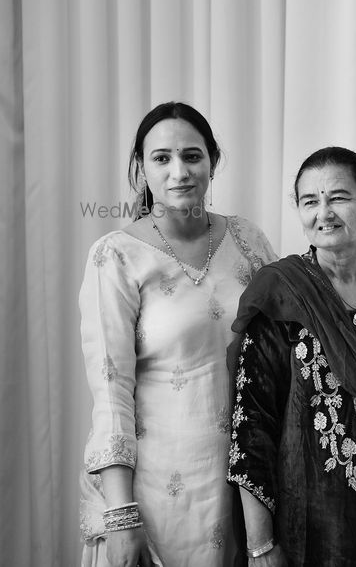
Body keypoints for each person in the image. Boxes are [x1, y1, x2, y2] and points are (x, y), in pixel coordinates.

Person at [79, 102, 277, 566]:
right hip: (154, 495)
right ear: (141, 167)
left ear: (213, 160)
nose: (179, 171)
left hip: (244, 485)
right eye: (161, 158)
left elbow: (280, 359)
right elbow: (111, 391)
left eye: (192, 156)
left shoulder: (248, 240)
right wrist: (121, 516)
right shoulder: (116, 256)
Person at [226, 147, 356, 566]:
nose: (324, 213)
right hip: (311, 527)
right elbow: (252, 425)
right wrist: (260, 545)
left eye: (338, 197)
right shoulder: (281, 294)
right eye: (310, 201)